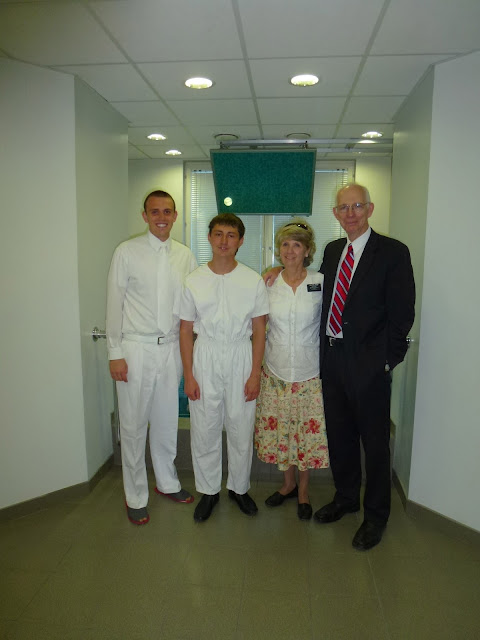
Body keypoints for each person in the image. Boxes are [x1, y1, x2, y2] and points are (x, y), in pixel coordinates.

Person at [264, 183, 415, 550]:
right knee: (341, 437)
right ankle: (346, 498)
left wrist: (385, 361)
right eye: (344, 207)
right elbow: (308, 283)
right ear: (335, 213)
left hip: (369, 365)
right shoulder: (333, 251)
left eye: (357, 206)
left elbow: (402, 314)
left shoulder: (392, 252)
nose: (350, 213)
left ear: (369, 209)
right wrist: (276, 268)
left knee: (374, 444)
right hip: (331, 360)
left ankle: (375, 516)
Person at [106, 190, 197, 525]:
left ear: (175, 216)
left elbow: (195, 300)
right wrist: (115, 352)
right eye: (155, 212)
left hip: (170, 349)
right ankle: (135, 495)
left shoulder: (185, 255)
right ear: (145, 216)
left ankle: (167, 481)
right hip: (135, 348)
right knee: (132, 425)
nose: (161, 217)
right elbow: (114, 303)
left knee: (166, 421)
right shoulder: (126, 252)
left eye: (167, 211)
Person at [179, 213, 269, 523]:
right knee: (204, 427)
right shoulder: (194, 280)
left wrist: (255, 373)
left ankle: (239, 488)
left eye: (231, 235)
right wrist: (189, 375)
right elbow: (185, 330)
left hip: (240, 354)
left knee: (241, 425)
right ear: (209, 237)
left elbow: (260, 330)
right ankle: (208, 491)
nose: (224, 241)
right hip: (206, 354)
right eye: (218, 234)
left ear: (241, 240)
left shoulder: (252, 280)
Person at [255, 219, 329, 521]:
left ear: (307, 250)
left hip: (310, 373)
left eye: (296, 244)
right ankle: (287, 485)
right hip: (277, 372)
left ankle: (303, 491)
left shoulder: (321, 281)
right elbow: (258, 326)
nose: (290, 250)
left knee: (305, 436)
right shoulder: (268, 283)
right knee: (282, 432)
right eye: (285, 244)